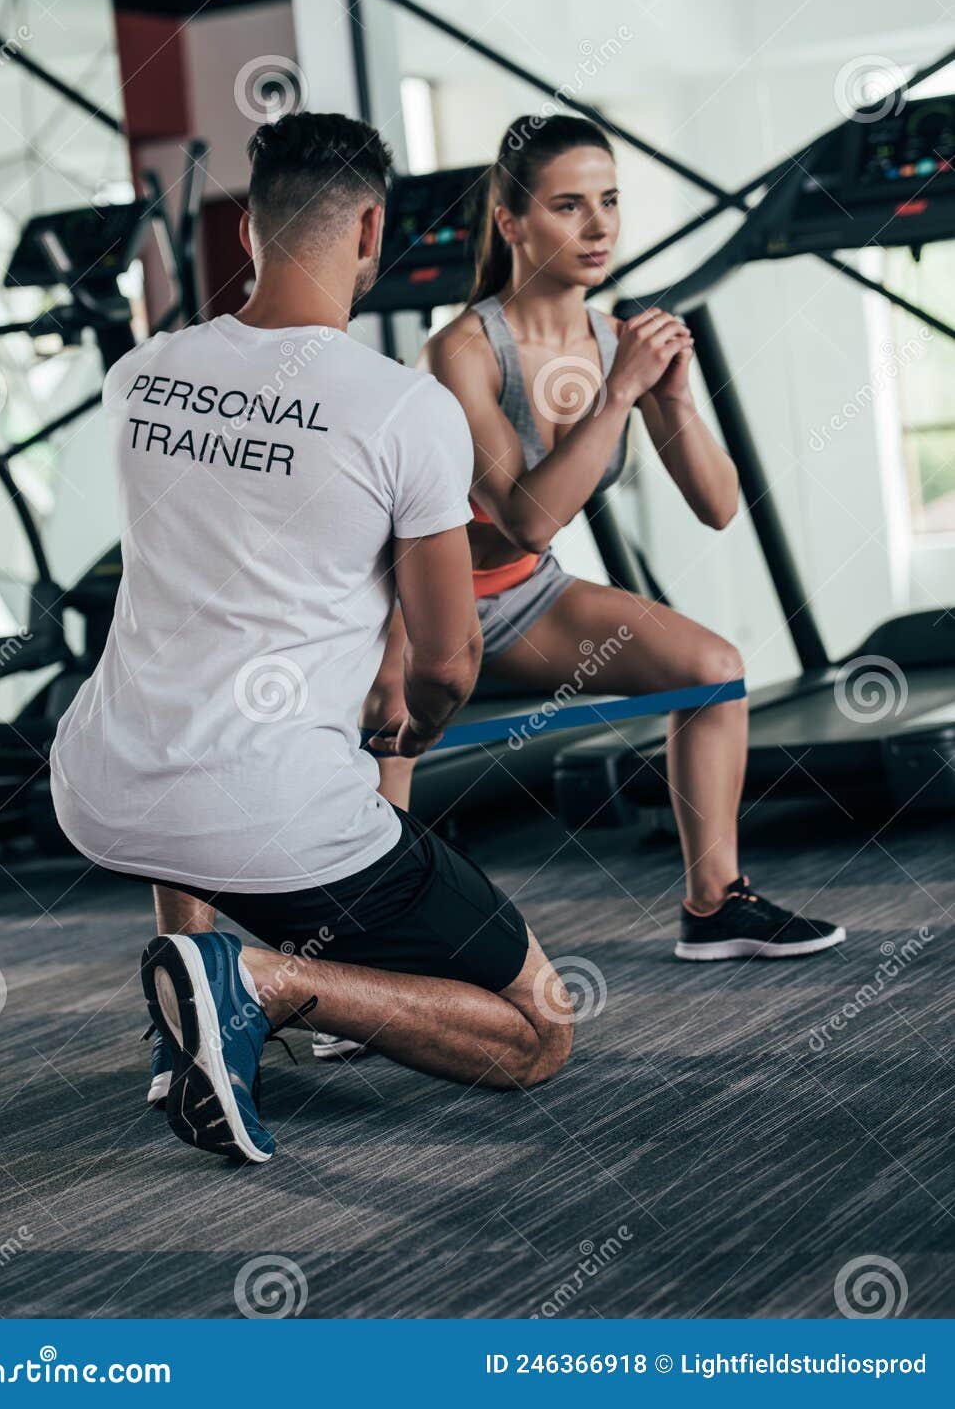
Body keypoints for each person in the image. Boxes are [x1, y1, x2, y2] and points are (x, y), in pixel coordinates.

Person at [49, 112, 573, 1164]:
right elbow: (449, 658)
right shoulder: (404, 408)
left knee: (202, 704)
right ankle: (259, 984)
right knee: (540, 1028)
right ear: (372, 229)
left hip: (100, 789)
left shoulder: (138, 377)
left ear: (248, 230)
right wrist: (405, 733)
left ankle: (185, 1010)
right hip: (272, 823)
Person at [350, 113, 845, 1016]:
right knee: (389, 758)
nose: (600, 226)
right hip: (416, 606)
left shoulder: (619, 336)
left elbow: (719, 506)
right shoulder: (463, 348)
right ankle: (370, 977)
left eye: (610, 202)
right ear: (511, 222)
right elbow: (527, 512)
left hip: (522, 595)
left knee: (714, 672)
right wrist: (618, 393)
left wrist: (675, 399)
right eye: (569, 206)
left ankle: (714, 904)